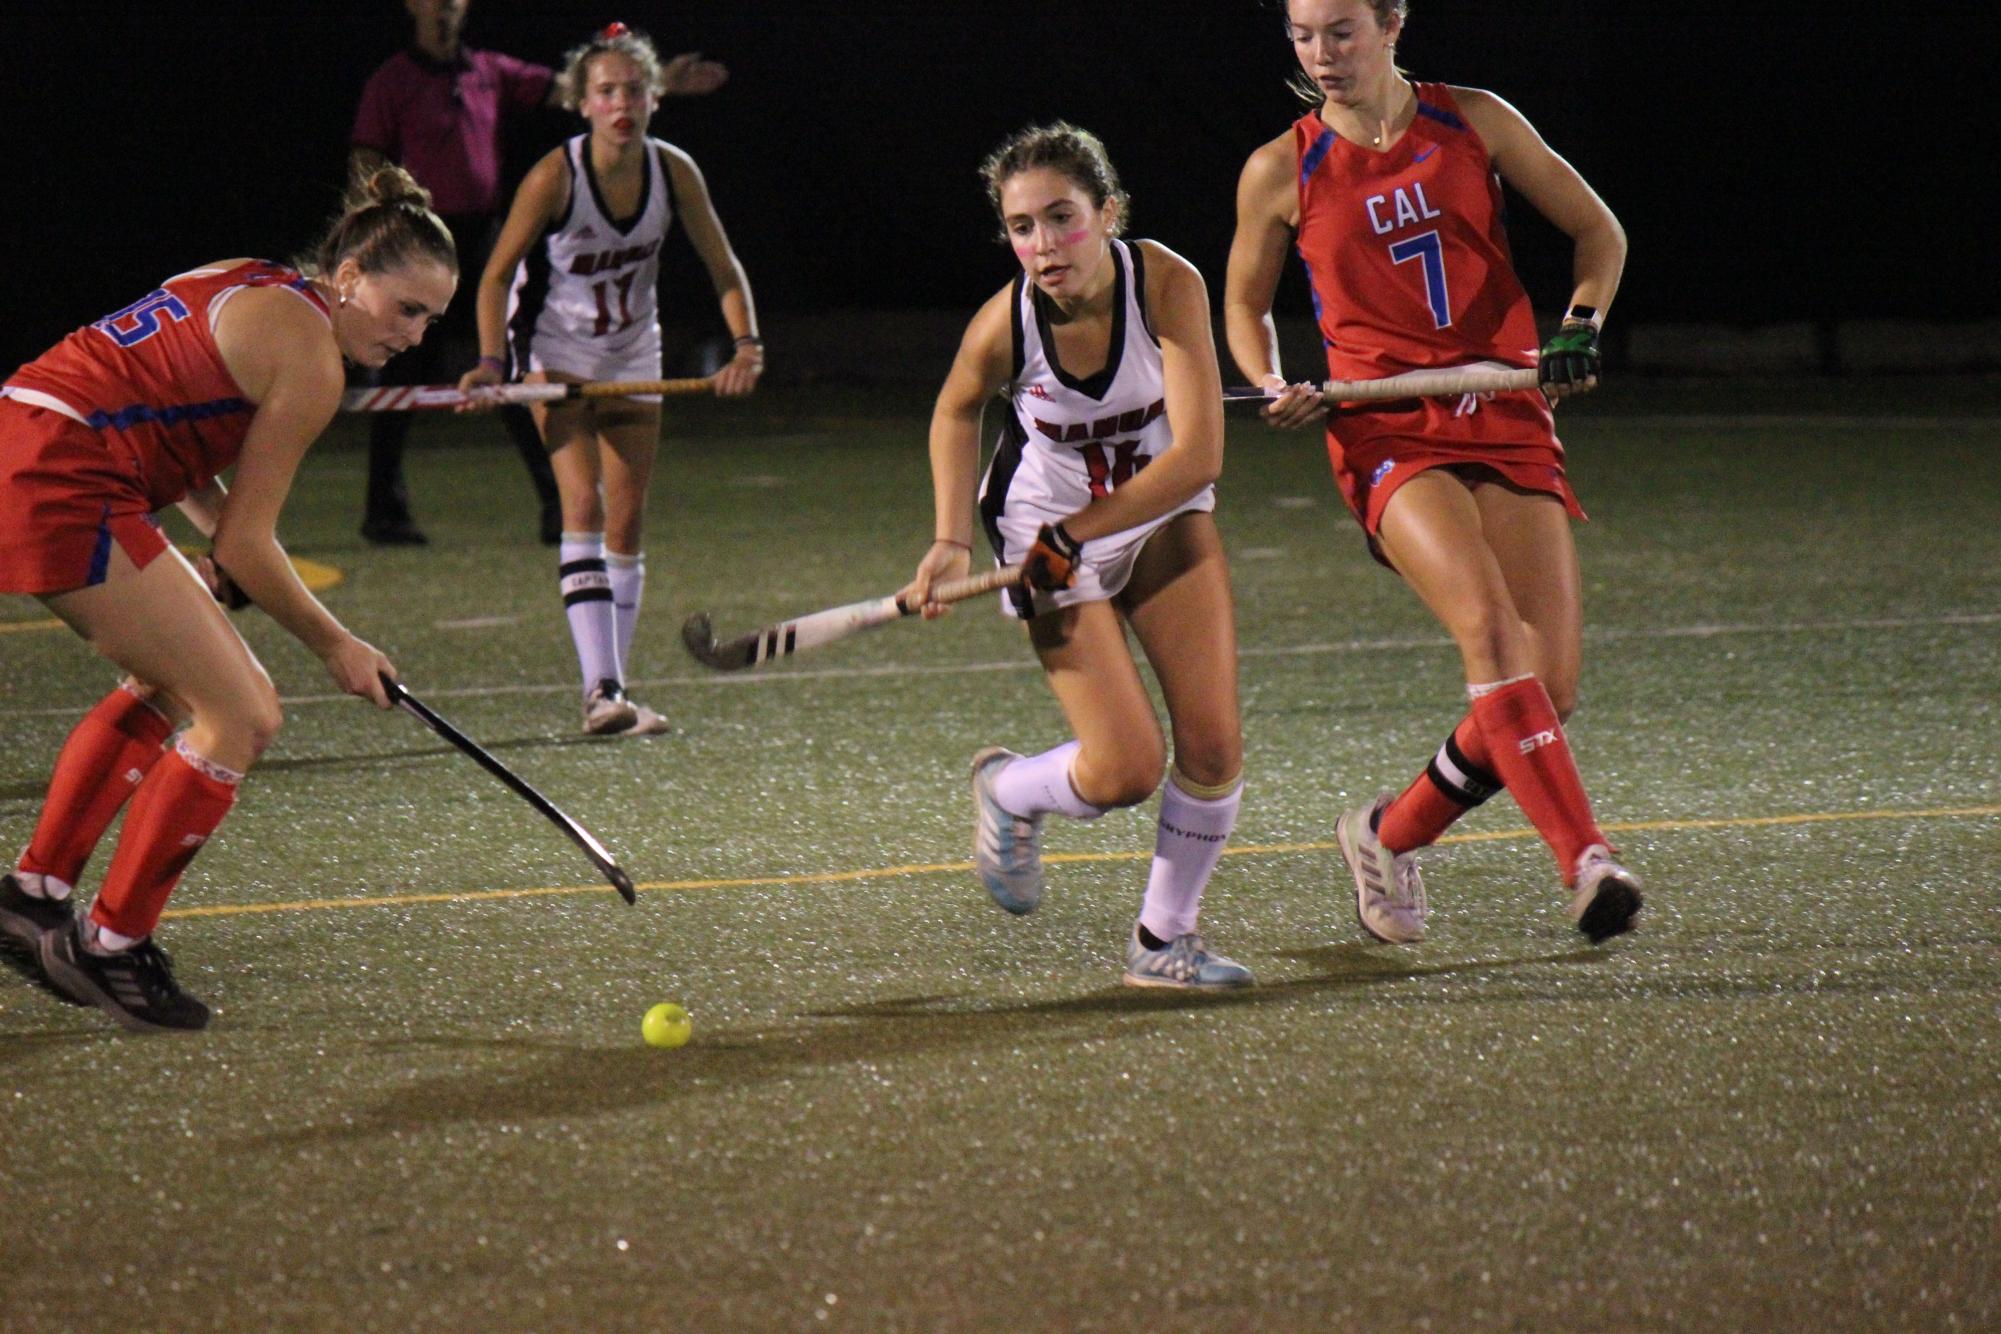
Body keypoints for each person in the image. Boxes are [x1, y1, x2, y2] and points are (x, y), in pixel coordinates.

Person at [1222, 0, 1642, 945]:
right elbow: (1243, 304)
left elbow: (1597, 232)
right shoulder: (1280, 167)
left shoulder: (1475, 119)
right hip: (1383, 428)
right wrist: (1269, 378)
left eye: (1340, 30)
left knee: (1551, 686)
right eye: (1300, 34)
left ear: (1391, 24)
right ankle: (1585, 860)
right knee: (1490, 632)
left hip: (1503, 410)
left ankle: (1385, 834)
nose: (1319, 53)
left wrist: (1578, 324)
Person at [0, 167, 451, 1031]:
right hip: (65, 470)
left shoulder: (244, 273)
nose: (417, 335)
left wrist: (210, 527)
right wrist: (338, 645)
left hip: (32, 434)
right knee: (243, 714)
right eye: (406, 309)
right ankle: (110, 945)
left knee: (174, 681)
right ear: (350, 276)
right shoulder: (312, 358)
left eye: (431, 318)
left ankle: (32, 895)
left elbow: (167, 421)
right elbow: (247, 545)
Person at [902, 123, 1252, 990]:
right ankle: (1013, 791)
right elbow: (955, 411)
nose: (1043, 246)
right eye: (1022, 228)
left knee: (1211, 747)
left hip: (1152, 512)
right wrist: (949, 541)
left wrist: (1083, 533)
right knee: (1124, 770)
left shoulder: (1165, 283)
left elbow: (1199, 457)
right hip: (1039, 531)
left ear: (1107, 213)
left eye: (1061, 219)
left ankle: (1162, 940)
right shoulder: (1005, 325)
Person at [460, 23, 762, 737]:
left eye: (632, 89)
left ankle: (612, 692)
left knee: (626, 524)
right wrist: (490, 360)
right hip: (559, 356)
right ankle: (599, 692)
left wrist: (746, 344)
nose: (620, 102)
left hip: (634, 358)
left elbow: (723, 267)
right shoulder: (554, 175)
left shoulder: (675, 170)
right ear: (581, 102)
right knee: (583, 506)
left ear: (654, 97)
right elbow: (498, 272)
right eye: (606, 91)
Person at [351, 0, 728, 546]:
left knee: (509, 372)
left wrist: (661, 81)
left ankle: (559, 506)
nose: (445, 9)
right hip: (418, 241)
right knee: (405, 372)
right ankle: (384, 510)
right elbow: (365, 156)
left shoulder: (487, 69)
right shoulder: (393, 79)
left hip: (481, 234)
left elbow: (572, 88)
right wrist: (377, 229)